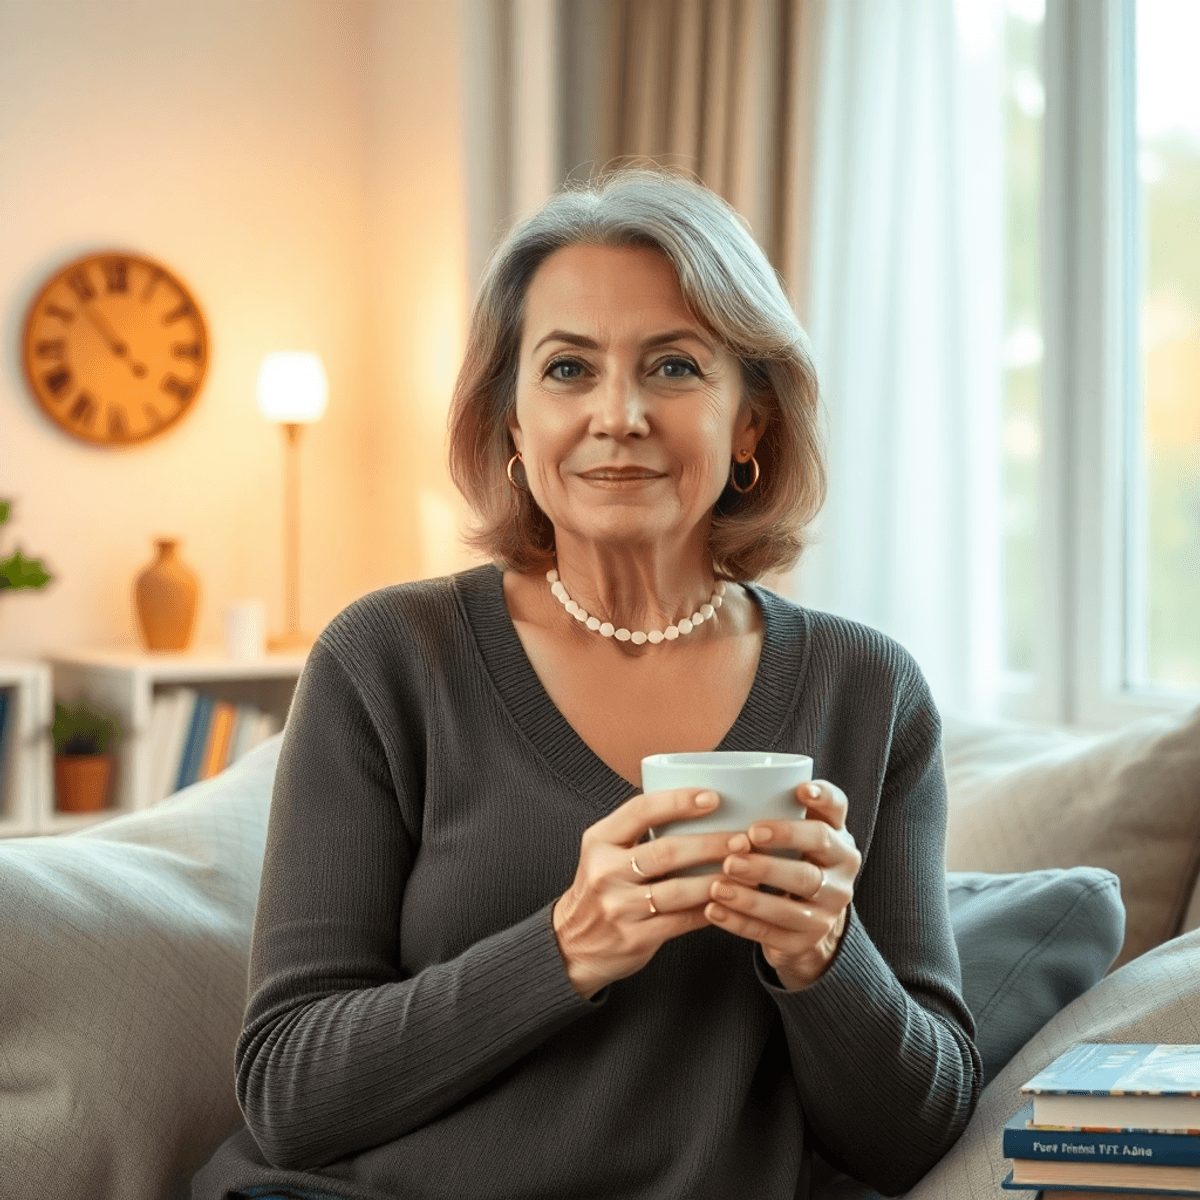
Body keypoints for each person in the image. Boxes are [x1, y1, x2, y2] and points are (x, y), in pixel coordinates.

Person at [193, 167, 982, 1200]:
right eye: (568, 369)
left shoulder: (868, 692)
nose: (620, 415)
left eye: (674, 367)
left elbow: (915, 1139)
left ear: (749, 423)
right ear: (512, 422)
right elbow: (289, 1093)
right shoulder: (387, 660)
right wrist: (565, 947)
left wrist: (826, 960)